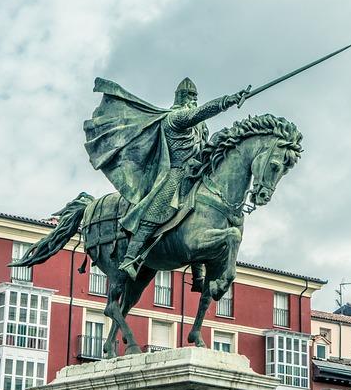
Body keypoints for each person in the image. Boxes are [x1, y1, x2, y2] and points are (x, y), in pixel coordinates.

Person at [84, 77, 247, 286]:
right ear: (181, 97)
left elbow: (203, 149)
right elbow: (199, 113)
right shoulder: (175, 117)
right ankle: (130, 257)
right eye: (190, 96)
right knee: (158, 208)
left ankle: (199, 270)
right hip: (174, 174)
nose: (193, 101)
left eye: (195, 97)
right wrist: (228, 100)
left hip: (196, 174)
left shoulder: (201, 128)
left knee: (202, 213)